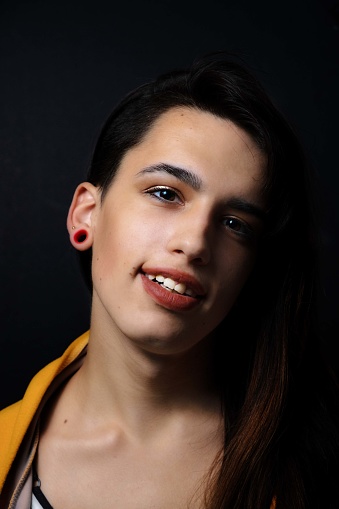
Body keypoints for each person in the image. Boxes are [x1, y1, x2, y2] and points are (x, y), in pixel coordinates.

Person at [0, 53, 338, 509]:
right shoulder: (7, 446)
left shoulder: (314, 467)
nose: (196, 242)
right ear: (87, 215)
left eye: (236, 223)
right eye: (165, 193)